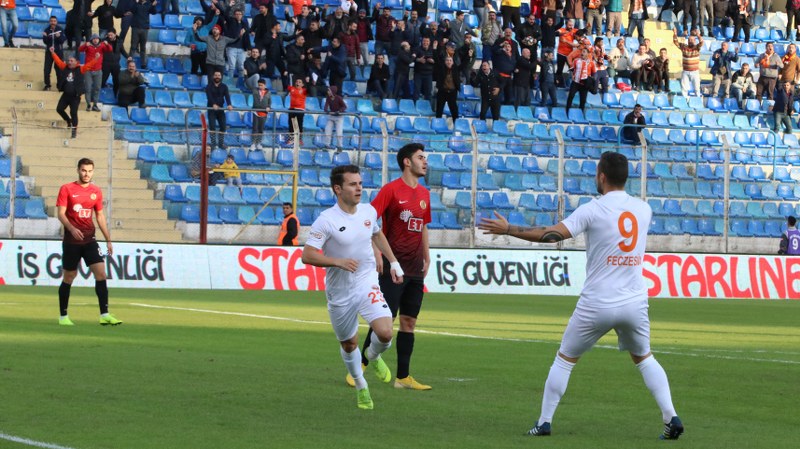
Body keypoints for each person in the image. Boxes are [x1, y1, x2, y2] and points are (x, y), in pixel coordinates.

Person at [478, 151, 684, 441]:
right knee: (645, 358)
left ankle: (544, 422)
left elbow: (552, 235)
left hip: (598, 301)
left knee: (565, 359)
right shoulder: (644, 209)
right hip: (634, 300)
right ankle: (670, 416)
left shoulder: (592, 209)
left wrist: (510, 229)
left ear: (601, 176)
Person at [302, 164, 405, 410]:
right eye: (352, 184)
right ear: (338, 189)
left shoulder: (368, 211)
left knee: (386, 332)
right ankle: (361, 386)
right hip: (340, 291)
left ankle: (373, 356)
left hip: (365, 280)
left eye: (360, 183)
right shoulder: (326, 220)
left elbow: (377, 234)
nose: (359, 188)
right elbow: (307, 255)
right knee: (349, 344)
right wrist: (336, 261)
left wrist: (394, 262)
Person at [346, 143, 432, 391]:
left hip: (415, 268)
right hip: (394, 267)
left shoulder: (425, 195)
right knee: (383, 320)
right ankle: (359, 367)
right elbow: (368, 221)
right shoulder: (391, 190)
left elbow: (423, 225)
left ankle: (403, 377)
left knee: (409, 322)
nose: (425, 162)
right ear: (407, 162)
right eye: (420, 157)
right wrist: (377, 252)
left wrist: (427, 255)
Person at [56, 158, 122, 327]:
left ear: (93, 171)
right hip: (72, 241)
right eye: (84, 170)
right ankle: (63, 316)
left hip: (90, 240)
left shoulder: (96, 191)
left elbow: (99, 216)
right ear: (78, 170)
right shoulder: (67, 189)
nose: (87, 174)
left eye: (90, 171)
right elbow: (61, 214)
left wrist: (108, 239)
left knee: (101, 273)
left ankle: (104, 314)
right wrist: (71, 228)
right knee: (69, 276)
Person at [51, 48, 101, 138]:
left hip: (75, 96)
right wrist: (53, 53)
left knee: (73, 112)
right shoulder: (64, 67)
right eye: (68, 60)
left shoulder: (80, 69)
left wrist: (96, 59)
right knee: (59, 109)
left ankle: (74, 129)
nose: (69, 62)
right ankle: (68, 121)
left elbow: (89, 65)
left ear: (76, 62)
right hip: (65, 95)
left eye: (71, 61)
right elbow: (58, 62)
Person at [79, 34, 112, 112]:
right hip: (88, 71)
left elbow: (110, 50)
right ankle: (88, 105)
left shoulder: (102, 46)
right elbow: (80, 49)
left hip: (98, 70)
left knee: (97, 88)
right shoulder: (88, 45)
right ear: (91, 40)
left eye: (97, 39)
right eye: (94, 39)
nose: (95, 40)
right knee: (88, 88)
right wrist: (84, 45)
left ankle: (95, 105)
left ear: (99, 40)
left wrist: (108, 44)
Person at [205, 70, 233, 150]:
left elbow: (227, 96)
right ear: (213, 76)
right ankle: (213, 144)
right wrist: (213, 104)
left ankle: (221, 144)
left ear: (221, 77)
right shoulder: (208, 86)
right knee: (212, 127)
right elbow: (209, 97)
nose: (217, 77)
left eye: (219, 75)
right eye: (216, 75)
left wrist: (229, 104)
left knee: (223, 127)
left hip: (221, 110)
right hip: (211, 109)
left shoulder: (224, 86)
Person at [673, 28, 703, 97]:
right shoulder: (684, 47)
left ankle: (698, 100)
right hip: (685, 71)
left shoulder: (697, 47)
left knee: (697, 88)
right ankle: (684, 100)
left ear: (695, 41)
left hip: (695, 71)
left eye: (692, 40)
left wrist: (698, 35)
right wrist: (675, 33)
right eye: (689, 40)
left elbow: (701, 42)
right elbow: (676, 42)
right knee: (684, 88)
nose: (690, 41)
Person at [566, 48, 596, 114]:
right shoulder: (576, 61)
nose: (582, 53)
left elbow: (594, 74)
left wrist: (592, 82)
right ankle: (567, 111)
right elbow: (572, 68)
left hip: (584, 84)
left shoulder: (591, 63)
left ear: (588, 54)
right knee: (571, 96)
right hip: (576, 82)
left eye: (584, 52)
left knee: (583, 100)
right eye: (582, 51)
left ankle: (580, 113)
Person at [130, 0, 157, 69]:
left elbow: (154, 12)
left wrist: (153, 6)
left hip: (144, 28)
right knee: (133, 46)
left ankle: (143, 64)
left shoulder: (149, 4)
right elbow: (132, 10)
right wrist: (135, 2)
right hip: (135, 28)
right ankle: (130, 62)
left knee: (143, 47)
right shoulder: (136, 3)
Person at [42, 15, 67, 92]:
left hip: (58, 53)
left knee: (59, 70)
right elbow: (45, 42)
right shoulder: (46, 30)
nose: (53, 22)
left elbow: (62, 40)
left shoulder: (60, 30)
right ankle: (47, 85)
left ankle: (60, 86)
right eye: (51, 21)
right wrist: (46, 37)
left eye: (54, 21)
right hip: (49, 53)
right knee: (46, 69)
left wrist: (59, 37)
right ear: (49, 22)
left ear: (56, 22)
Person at [251, 78, 271, 150]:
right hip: (256, 112)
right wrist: (246, 75)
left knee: (261, 129)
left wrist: (268, 107)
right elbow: (248, 83)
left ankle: (258, 143)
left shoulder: (268, 92)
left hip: (264, 113)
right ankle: (253, 143)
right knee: (255, 128)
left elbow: (269, 102)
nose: (260, 87)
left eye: (261, 85)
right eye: (259, 85)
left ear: (265, 85)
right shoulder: (255, 90)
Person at [287, 78, 307, 146]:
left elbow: (310, 87)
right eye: (297, 81)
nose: (298, 83)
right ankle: (291, 139)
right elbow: (286, 84)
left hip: (300, 110)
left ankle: (299, 139)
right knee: (291, 125)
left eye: (300, 82)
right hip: (292, 109)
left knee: (299, 125)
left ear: (302, 84)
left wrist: (308, 81)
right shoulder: (291, 88)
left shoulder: (304, 90)